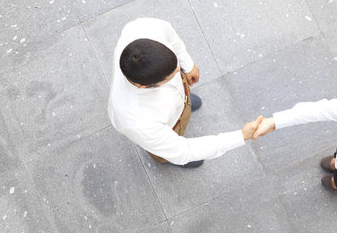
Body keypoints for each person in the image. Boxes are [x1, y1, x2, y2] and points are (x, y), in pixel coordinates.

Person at [108, 18, 263, 168]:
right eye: (171, 76)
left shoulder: (141, 28)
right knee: (167, 152)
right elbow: (184, 150)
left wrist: (187, 65)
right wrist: (241, 136)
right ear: (143, 86)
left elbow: (170, 35)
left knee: (184, 101)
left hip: (175, 99)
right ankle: (167, 159)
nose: (178, 72)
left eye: (177, 66)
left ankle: (184, 105)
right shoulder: (140, 122)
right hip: (169, 125)